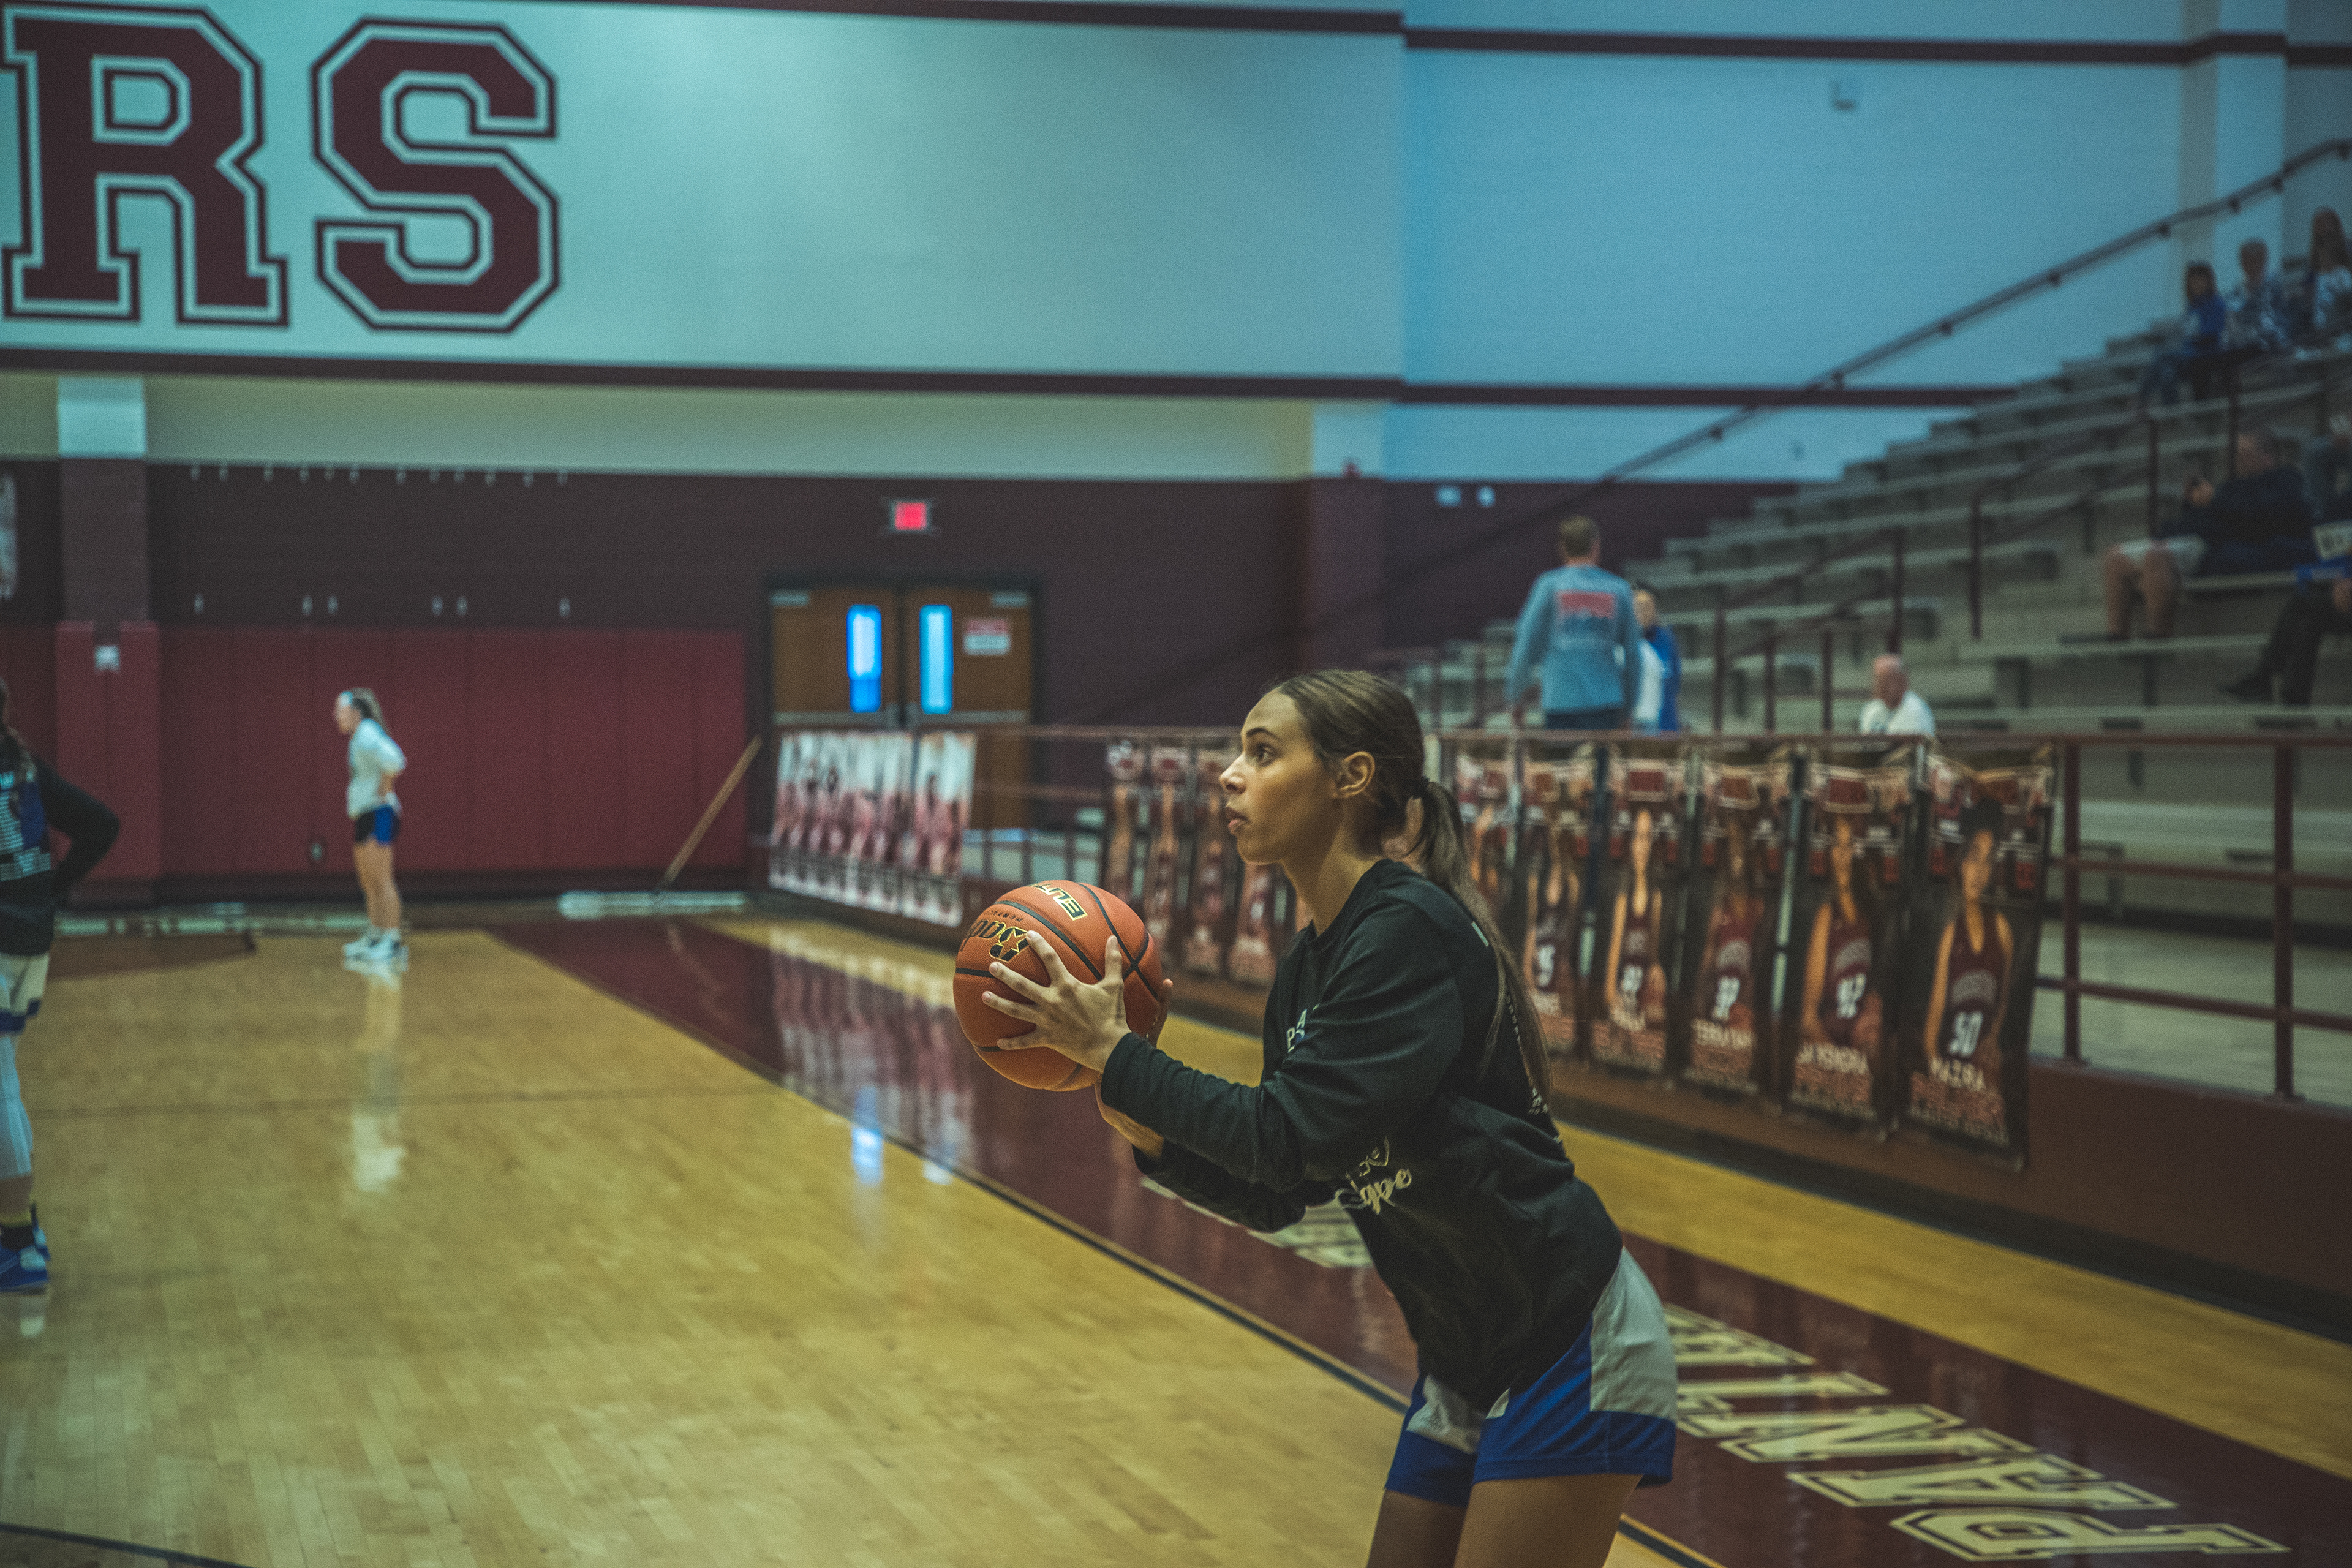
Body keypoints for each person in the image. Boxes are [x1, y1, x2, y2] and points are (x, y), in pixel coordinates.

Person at [979, 671, 1675, 1568]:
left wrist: (1122, 1058)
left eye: (1263, 753)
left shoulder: (1407, 930)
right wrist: (1150, 1132)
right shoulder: (1308, 970)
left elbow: (1282, 1135)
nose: (1230, 773)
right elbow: (1285, 1191)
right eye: (1238, 752)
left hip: (1565, 1331)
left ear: (1351, 776)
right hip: (1465, 1350)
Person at [0, 679, 121, 1294]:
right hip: (30, 941)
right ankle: (22, 1224)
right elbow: (102, 824)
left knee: (1, 1092)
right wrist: (53, 887)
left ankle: (18, 1244)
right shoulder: (24, 767)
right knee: (5, 1085)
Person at [2097, 428, 2315, 639]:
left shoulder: (2285, 481)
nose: (2239, 460)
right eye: (2237, 454)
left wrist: (2215, 500)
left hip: (2215, 547)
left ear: (2267, 458)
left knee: (2157, 556)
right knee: (2114, 557)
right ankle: (2115, 638)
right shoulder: (2231, 485)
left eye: (2246, 454)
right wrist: (2191, 503)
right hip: (2192, 538)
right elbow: (2208, 516)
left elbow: (2260, 516)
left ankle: (2156, 640)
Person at [1506, 516, 1642, 732]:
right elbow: (1634, 655)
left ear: (1562, 548)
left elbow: (1524, 646)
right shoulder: (1619, 589)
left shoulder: (1548, 587)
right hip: (1607, 704)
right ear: (1596, 546)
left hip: (1561, 703)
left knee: (1564, 757)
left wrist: (1516, 698)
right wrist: (1629, 707)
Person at [1921, 803, 2013, 1090]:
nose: (1980, 871)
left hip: (1983, 1076)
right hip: (1948, 1071)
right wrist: (1942, 1083)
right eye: (1974, 858)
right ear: (1960, 861)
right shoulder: (1950, 933)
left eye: (1987, 861)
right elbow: (1931, 1032)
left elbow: (2004, 1001)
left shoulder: (2001, 929)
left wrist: (1993, 1037)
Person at [1796, 815, 1885, 1072]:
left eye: (1850, 845)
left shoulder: (1869, 916)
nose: (1844, 854)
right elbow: (1808, 1018)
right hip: (1828, 1052)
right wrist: (1841, 1063)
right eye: (1837, 845)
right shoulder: (1826, 915)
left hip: (1859, 1053)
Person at [336, 689, 409, 968]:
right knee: (369, 882)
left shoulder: (367, 731)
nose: (336, 715)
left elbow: (396, 759)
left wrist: (386, 786)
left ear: (355, 713)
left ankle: (392, 941)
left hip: (380, 814)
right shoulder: (358, 737)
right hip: (366, 814)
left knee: (382, 879)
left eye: (340, 710)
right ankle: (376, 936)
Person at [2134, 262, 2228, 408]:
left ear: (2208, 282)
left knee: (2162, 356)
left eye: (2200, 281)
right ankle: (2171, 413)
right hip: (2190, 355)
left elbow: (2208, 335)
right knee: (2166, 372)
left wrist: (2189, 340)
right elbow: (2188, 333)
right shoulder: (2192, 306)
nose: (2196, 285)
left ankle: (2141, 399)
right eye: (2193, 281)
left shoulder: (2217, 304)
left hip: (2205, 355)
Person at [2225, 238, 2293, 356]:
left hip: (2272, 345)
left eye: (2258, 261)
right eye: (2249, 262)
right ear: (2242, 263)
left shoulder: (2273, 285)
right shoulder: (2236, 292)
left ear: (2264, 261)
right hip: (2244, 348)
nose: (2254, 267)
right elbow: (2233, 324)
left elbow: (2277, 318)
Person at [1630, 588, 1681, 733]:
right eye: (1638, 607)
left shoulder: (1667, 640)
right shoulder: (1622, 642)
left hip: (1661, 723)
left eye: (1648, 607)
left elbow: (1675, 684)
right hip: (1631, 722)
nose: (1643, 612)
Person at [2302, 211, 2351, 349]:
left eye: (2327, 225)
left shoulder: (2348, 252)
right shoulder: (2315, 260)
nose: (2323, 230)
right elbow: (2307, 286)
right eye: (2319, 226)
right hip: (2321, 313)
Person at [1856, 655, 1934, 736]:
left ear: (1902, 681)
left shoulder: (1916, 712)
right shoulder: (1871, 709)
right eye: (1877, 681)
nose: (1879, 687)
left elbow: (1912, 744)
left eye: (1885, 681)